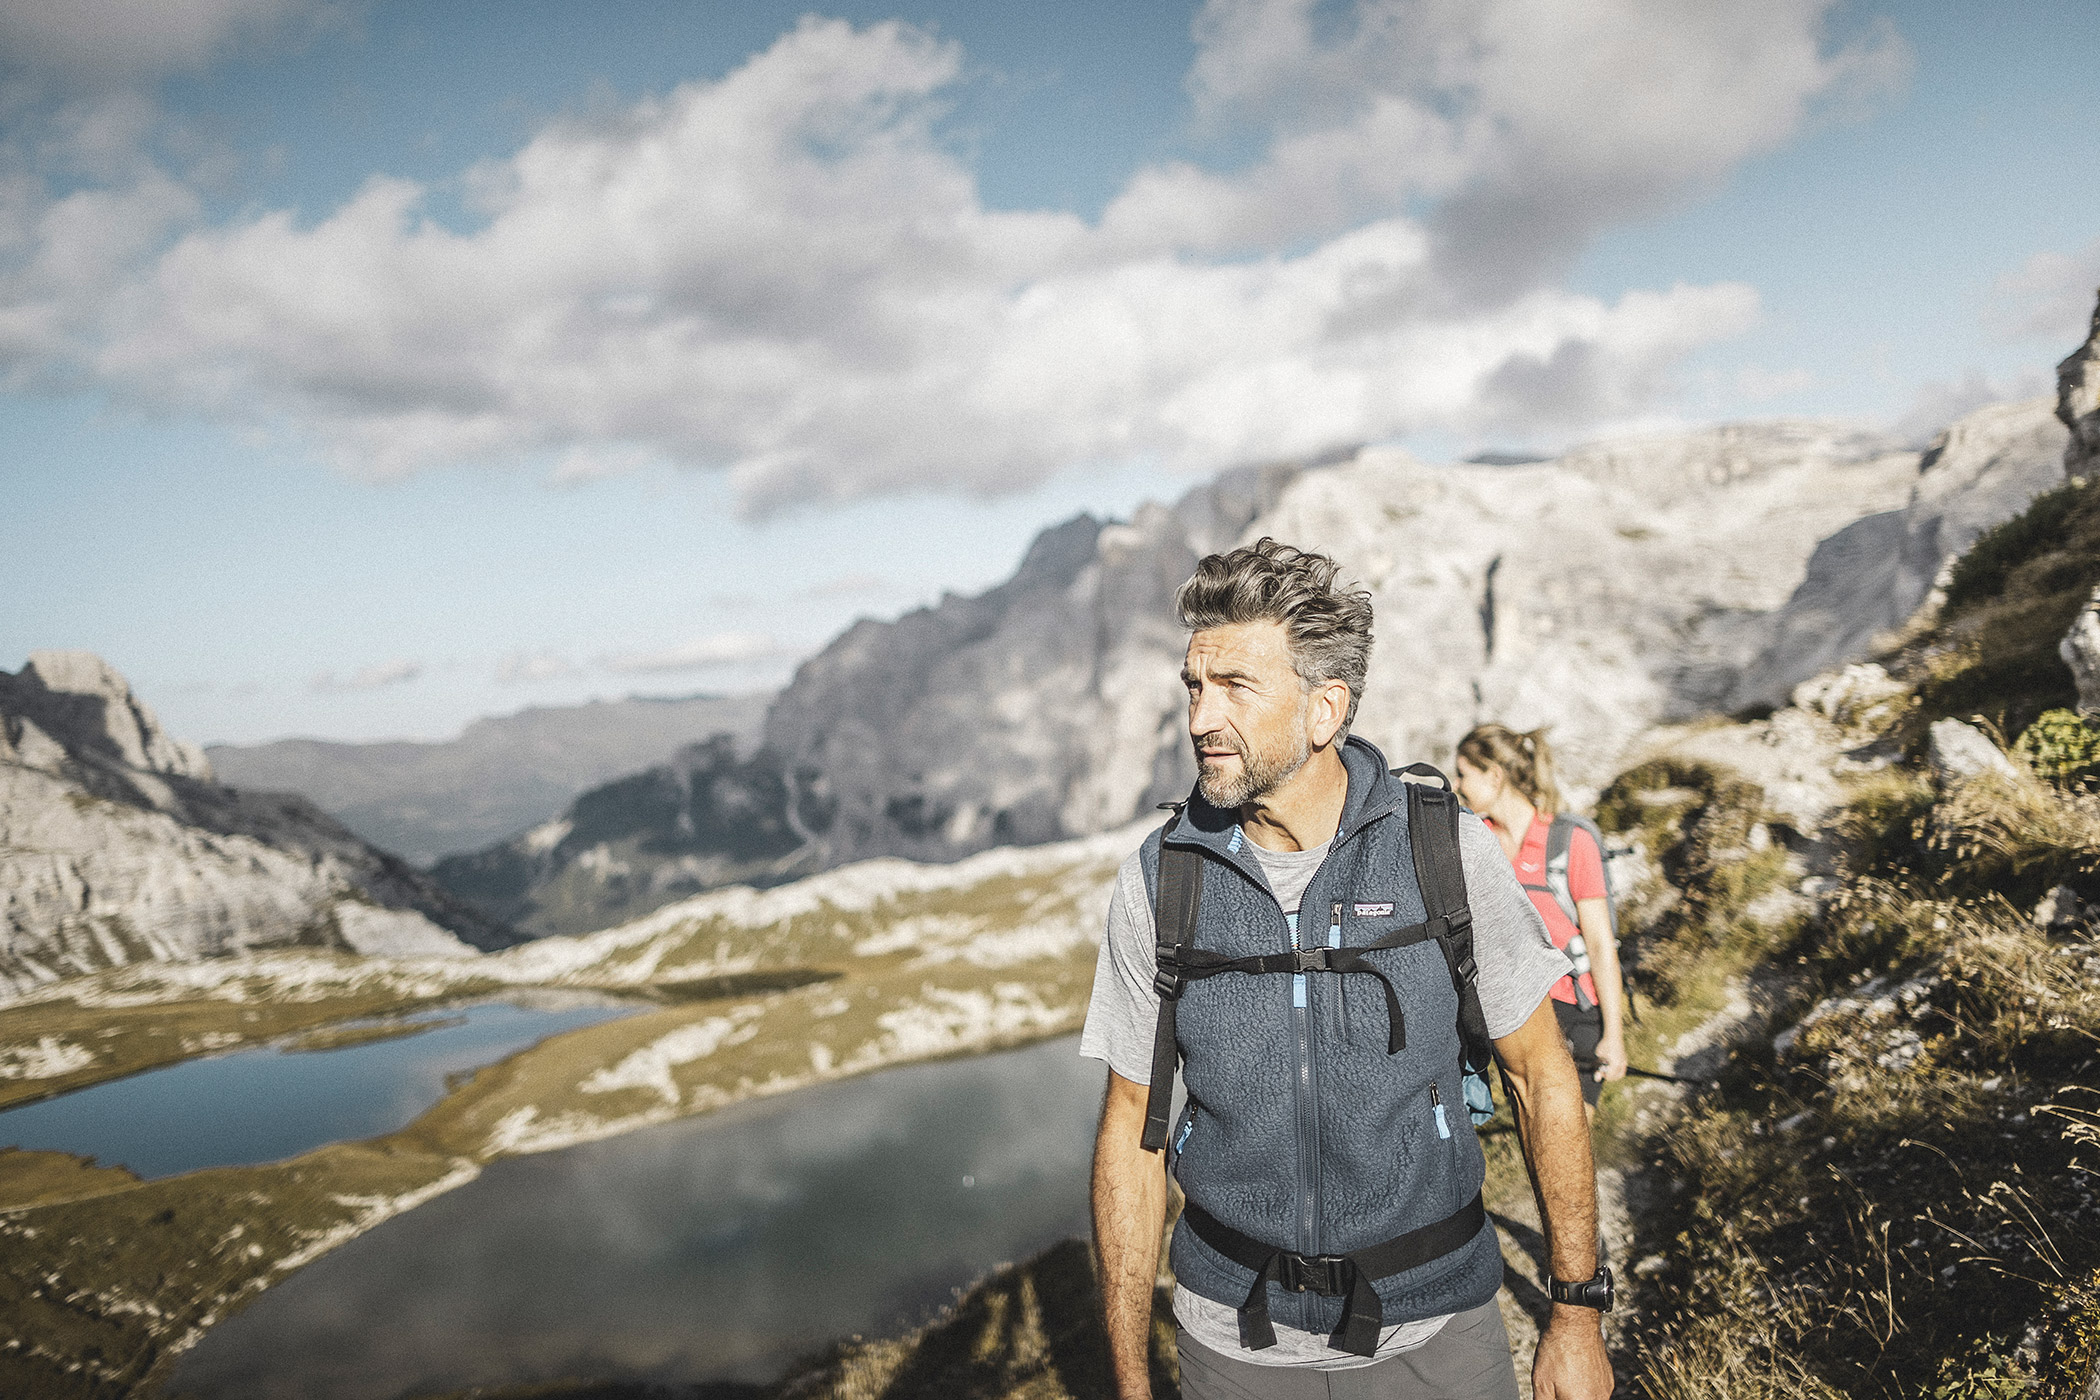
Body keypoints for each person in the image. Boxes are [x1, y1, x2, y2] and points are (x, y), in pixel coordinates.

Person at [1082, 539, 1614, 1400]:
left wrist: (1576, 1313)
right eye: (1193, 685)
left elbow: (1543, 1077)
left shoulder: (1441, 849)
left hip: (1437, 1328)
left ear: (1325, 710)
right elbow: (1129, 1136)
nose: (1198, 719)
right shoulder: (1160, 879)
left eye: (1234, 688)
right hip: (1233, 1344)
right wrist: (1129, 1383)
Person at [1452, 726, 1628, 1121]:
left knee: (1569, 1130)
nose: (1457, 785)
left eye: (1464, 773)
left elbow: (1600, 944)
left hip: (1575, 1009)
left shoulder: (1571, 842)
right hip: (1512, 1009)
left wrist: (1613, 1036)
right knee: (1534, 1126)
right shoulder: (1474, 839)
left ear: (1494, 776)